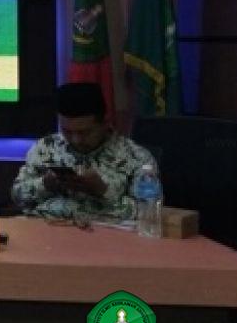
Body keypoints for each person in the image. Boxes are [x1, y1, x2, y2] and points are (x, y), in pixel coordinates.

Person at [11, 81, 156, 223]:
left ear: (105, 123)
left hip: (103, 231)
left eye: (85, 132)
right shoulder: (45, 148)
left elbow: (149, 211)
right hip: (45, 225)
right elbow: (17, 197)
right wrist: (46, 184)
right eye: (67, 131)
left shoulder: (136, 157)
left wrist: (103, 191)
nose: (76, 140)